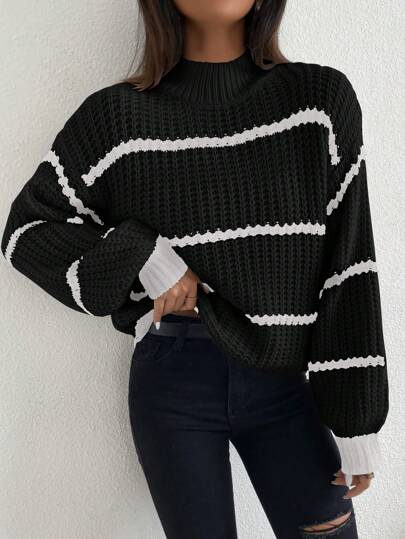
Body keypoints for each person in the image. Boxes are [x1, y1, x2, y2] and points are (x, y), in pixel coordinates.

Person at [1, 0, 389, 537]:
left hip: (284, 382)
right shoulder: (116, 120)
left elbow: (350, 266)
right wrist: (145, 255)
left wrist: (356, 416)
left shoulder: (317, 104)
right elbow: (26, 231)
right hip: (174, 376)